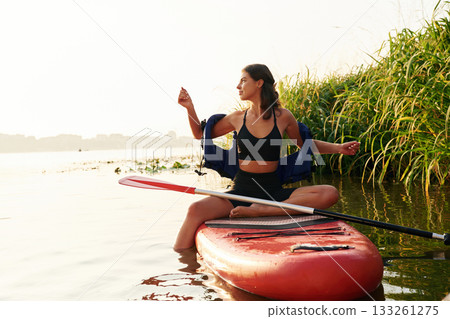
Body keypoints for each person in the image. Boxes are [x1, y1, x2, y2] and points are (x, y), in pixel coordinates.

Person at [175, 64, 359, 251]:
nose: (238, 86)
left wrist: (338, 148)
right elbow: (200, 133)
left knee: (330, 193)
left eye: (243, 80)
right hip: (241, 191)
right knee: (195, 210)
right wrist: (189, 107)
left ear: (259, 83)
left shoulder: (283, 117)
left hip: (273, 192)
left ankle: (263, 210)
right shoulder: (237, 118)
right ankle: (183, 265)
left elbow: (305, 145)